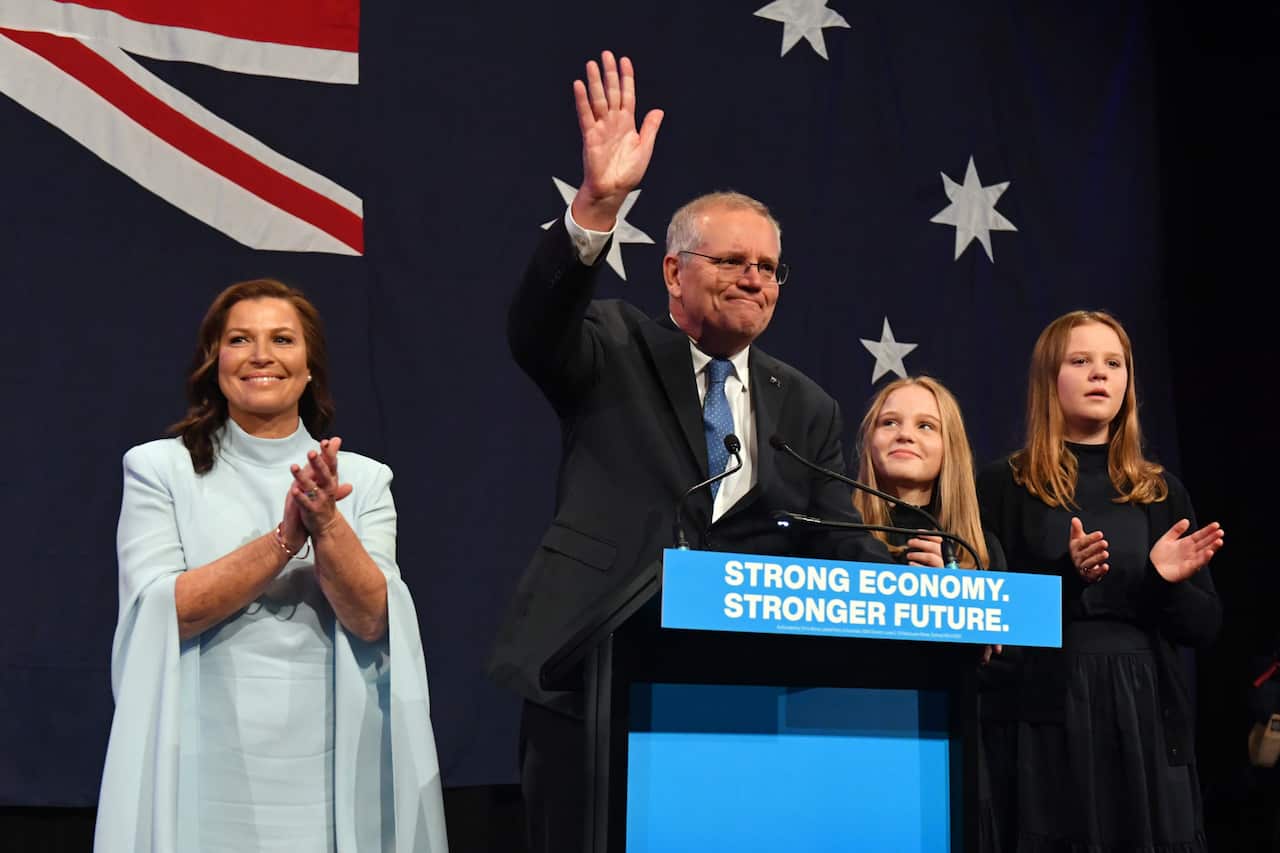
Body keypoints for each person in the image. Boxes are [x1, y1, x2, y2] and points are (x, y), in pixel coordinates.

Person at [489, 51, 888, 853]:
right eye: (732, 261)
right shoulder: (612, 342)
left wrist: (905, 580)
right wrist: (597, 204)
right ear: (673, 271)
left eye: (768, 267)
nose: (754, 279)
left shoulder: (805, 404)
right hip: (589, 679)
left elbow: (835, 532)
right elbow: (536, 328)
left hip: (730, 693)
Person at [94, 279, 448, 853]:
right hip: (199, 770)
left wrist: (327, 523)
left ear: (309, 369)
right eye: (240, 339)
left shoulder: (363, 481)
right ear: (216, 363)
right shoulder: (160, 470)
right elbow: (166, 612)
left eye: (282, 339)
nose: (262, 355)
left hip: (331, 776)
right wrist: (285, 539)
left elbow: (372, 620)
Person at [977, 309, 1224, 852]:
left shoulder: (1159, 490)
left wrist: (1163, 582)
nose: (1100, 374)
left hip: (1147, 712)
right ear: (1049, 378)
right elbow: (990, 616)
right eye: (1081, 361)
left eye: (1114, 363)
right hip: (1048, 714)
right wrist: (1067, 577)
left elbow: (1205, 628)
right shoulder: (1004, 484)